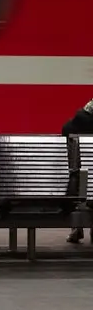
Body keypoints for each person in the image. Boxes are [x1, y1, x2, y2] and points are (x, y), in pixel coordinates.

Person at [61, 98, 93, 243]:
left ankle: (77, 228)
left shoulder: (73, 127)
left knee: (78, 175)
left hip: (79, 183)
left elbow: (66, 129)